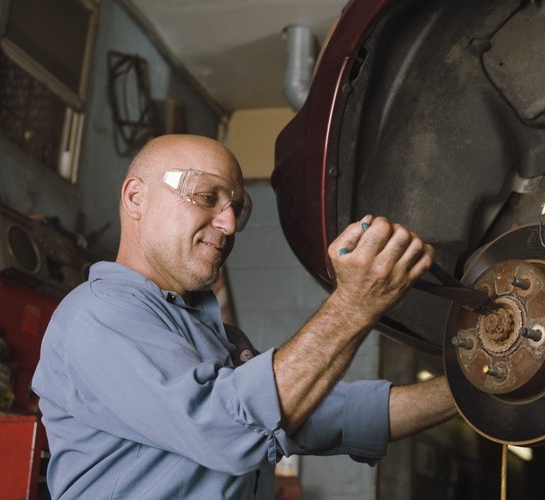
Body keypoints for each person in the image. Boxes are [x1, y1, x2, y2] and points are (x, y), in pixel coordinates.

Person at [32, 134, 457, 499]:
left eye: (237, 206)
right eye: (207, 197)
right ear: (136, 198)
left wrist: (471, 387)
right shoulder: (99, 314)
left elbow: (326, 416)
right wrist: (354, 305)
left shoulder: (214, 334)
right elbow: (230, 431)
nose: (230, 223)